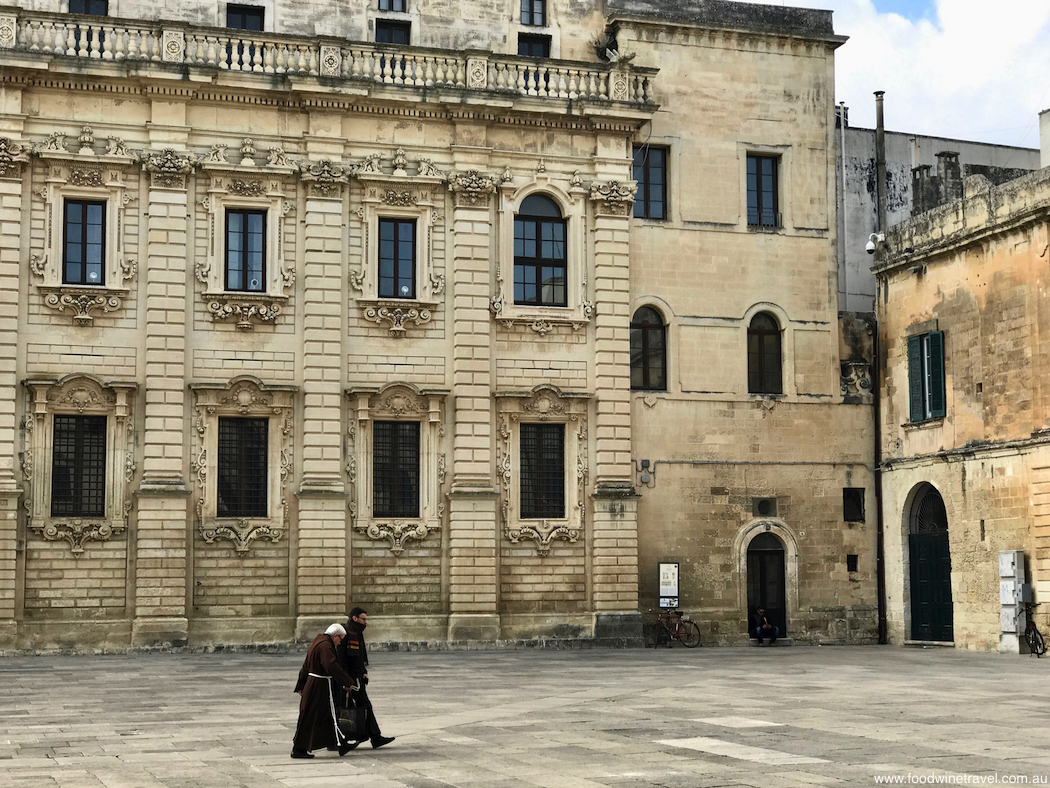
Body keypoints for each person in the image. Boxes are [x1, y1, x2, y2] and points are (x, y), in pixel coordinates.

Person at [291, 623, 359, 759]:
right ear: (335, 636)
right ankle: (298, 749)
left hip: (316, 684)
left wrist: (301, 684)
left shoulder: (318, 642)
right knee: (310, 716)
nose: (340, 643)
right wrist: (347, 681)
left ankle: (338, 743)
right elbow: (331, 665)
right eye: (340, 639)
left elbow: (306, 666)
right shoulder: (325, 646)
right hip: (318, 686)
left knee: (328, 714)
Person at [336, 607, 395, 749]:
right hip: (349, 680)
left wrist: (364, 671)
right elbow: (342, 658)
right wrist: (345, 680)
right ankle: (371, 737)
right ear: (355, 618)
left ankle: (374, 737)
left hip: (356, 678)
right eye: (363, 619)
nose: (366, 622)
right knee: (343, 708)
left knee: (361, 706)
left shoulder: (356, 632)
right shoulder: (346, 633)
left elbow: (360, 655)